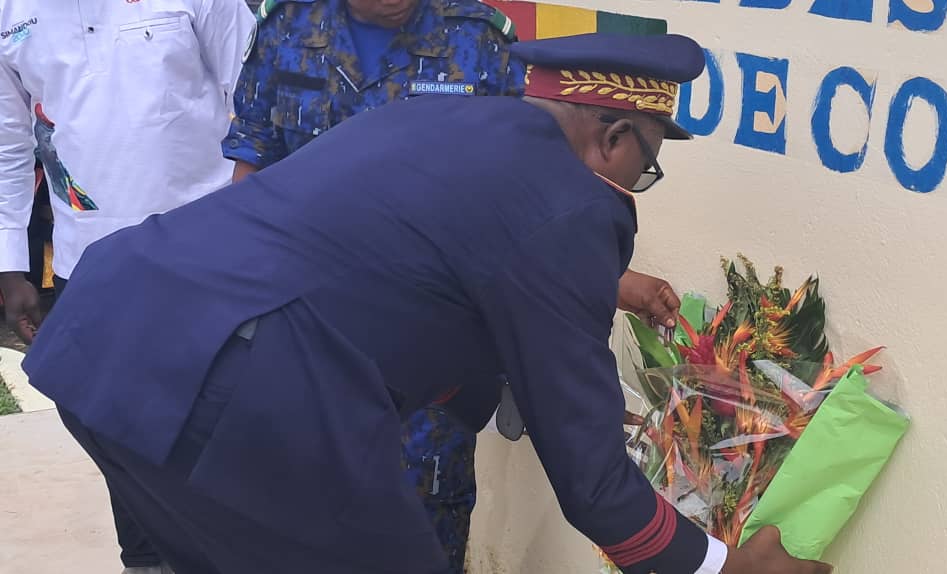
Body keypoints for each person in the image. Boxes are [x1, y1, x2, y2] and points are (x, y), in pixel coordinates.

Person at [24, 32, 831, 574]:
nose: (637, 184)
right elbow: (590, 483)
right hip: (243, 389)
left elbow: (416, 277)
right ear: (615, 136)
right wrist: (720, 565)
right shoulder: (576, 205)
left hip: (105, 337)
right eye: (647, 167)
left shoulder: (439, 123)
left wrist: (554, 380)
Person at [223, 1, 683, 570]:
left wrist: (610, 282)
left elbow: (520, 199)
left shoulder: (479, 38)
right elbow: (250, 177)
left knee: (422, 541)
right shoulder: (285, 25)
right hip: (303, 351)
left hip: (430, 380)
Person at [0, 2, 256, 572]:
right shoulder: (11, 11)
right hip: (87, 262)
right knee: (115, 427)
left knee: (223, 424)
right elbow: (7, 141)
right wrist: (10, 265)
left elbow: (254, 101)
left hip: (208, 251)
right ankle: (145, 560)